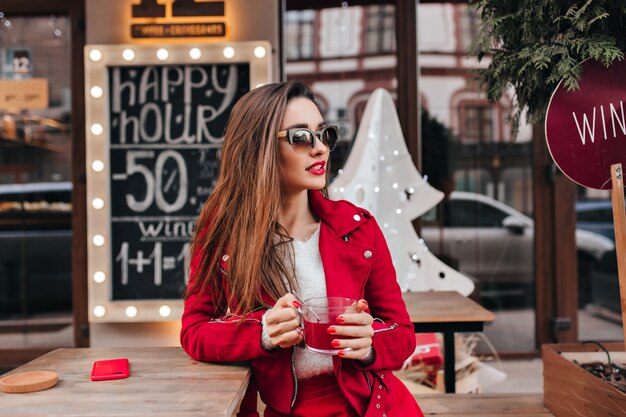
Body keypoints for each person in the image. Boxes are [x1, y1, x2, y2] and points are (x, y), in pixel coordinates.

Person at [181, 81, 424, 417]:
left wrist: (369, 343)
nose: (321, 148)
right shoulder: (224, 236)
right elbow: (194, 332)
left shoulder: (358, 228)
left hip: (373, 407)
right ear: (260, 148)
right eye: (301, 137)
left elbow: (403, 335)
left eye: (324, 134)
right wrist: (263, 331)